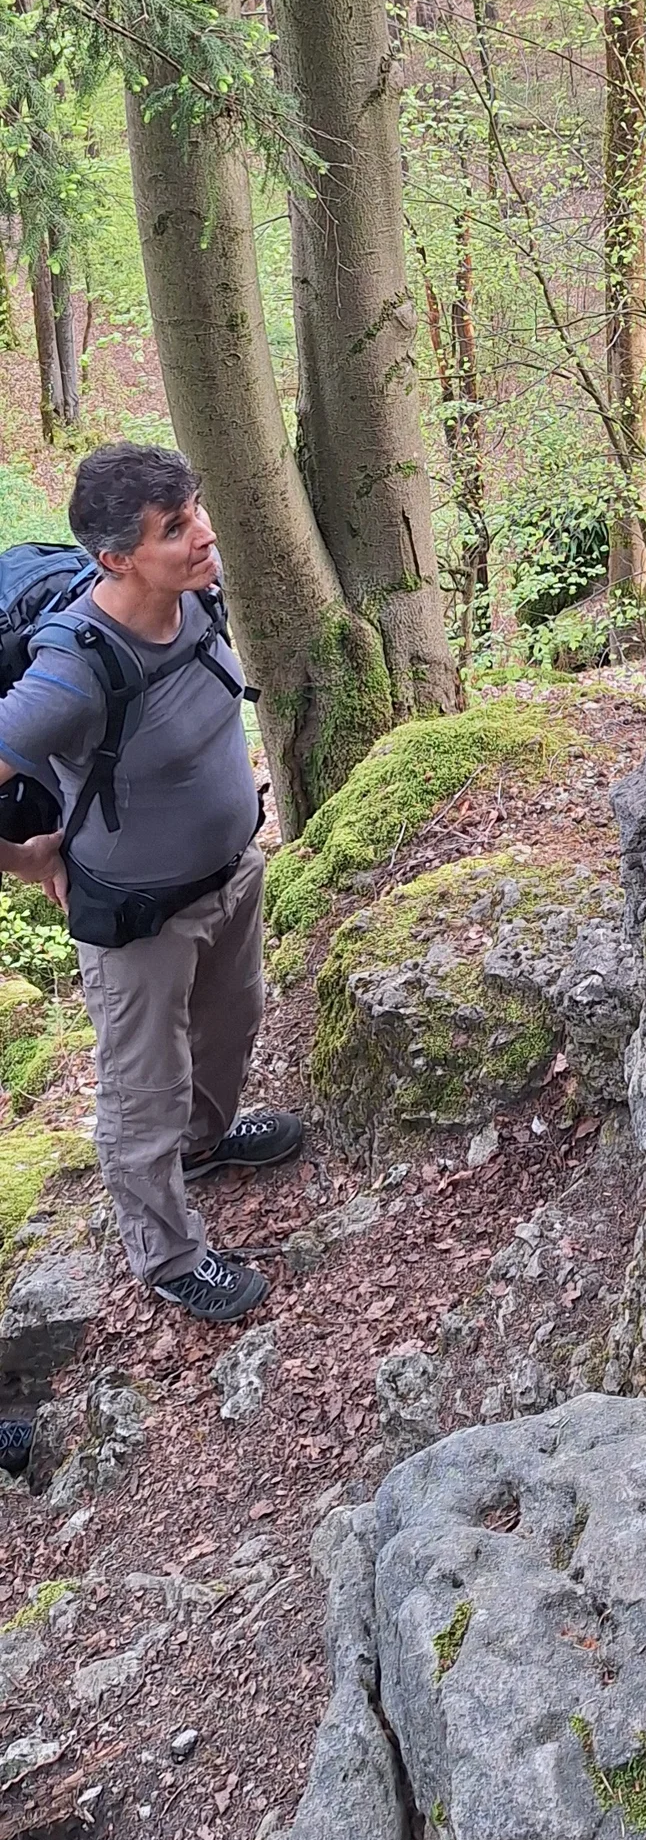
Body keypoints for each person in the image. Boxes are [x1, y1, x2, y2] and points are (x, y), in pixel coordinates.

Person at [0, 444, 302, 1323]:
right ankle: (168, 1255)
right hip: (138, 922)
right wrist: (31, 860)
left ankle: (205, 1145)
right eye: (176, 528)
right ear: (116, 558)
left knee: (235, 1018)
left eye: (196, 508)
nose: (204, 533)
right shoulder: (74, 666)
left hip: (230, 876)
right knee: (143, 1092)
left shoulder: (196, 593)